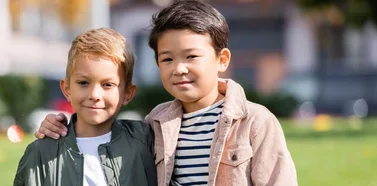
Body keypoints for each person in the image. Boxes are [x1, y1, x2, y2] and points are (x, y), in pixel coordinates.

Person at [32, 0, 298, 185]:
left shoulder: (255, 122)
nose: (179, 69)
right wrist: (59, 125)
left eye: (191, 56)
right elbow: (103, 133)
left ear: (222, 59)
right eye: (167, 59)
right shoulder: (156, 124)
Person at [14, 28, 157, 186]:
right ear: (67, 89)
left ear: (127, 94)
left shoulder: (145, 140)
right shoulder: (42, 153)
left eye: (107, 84)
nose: (94, 95)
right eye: (83, 83)